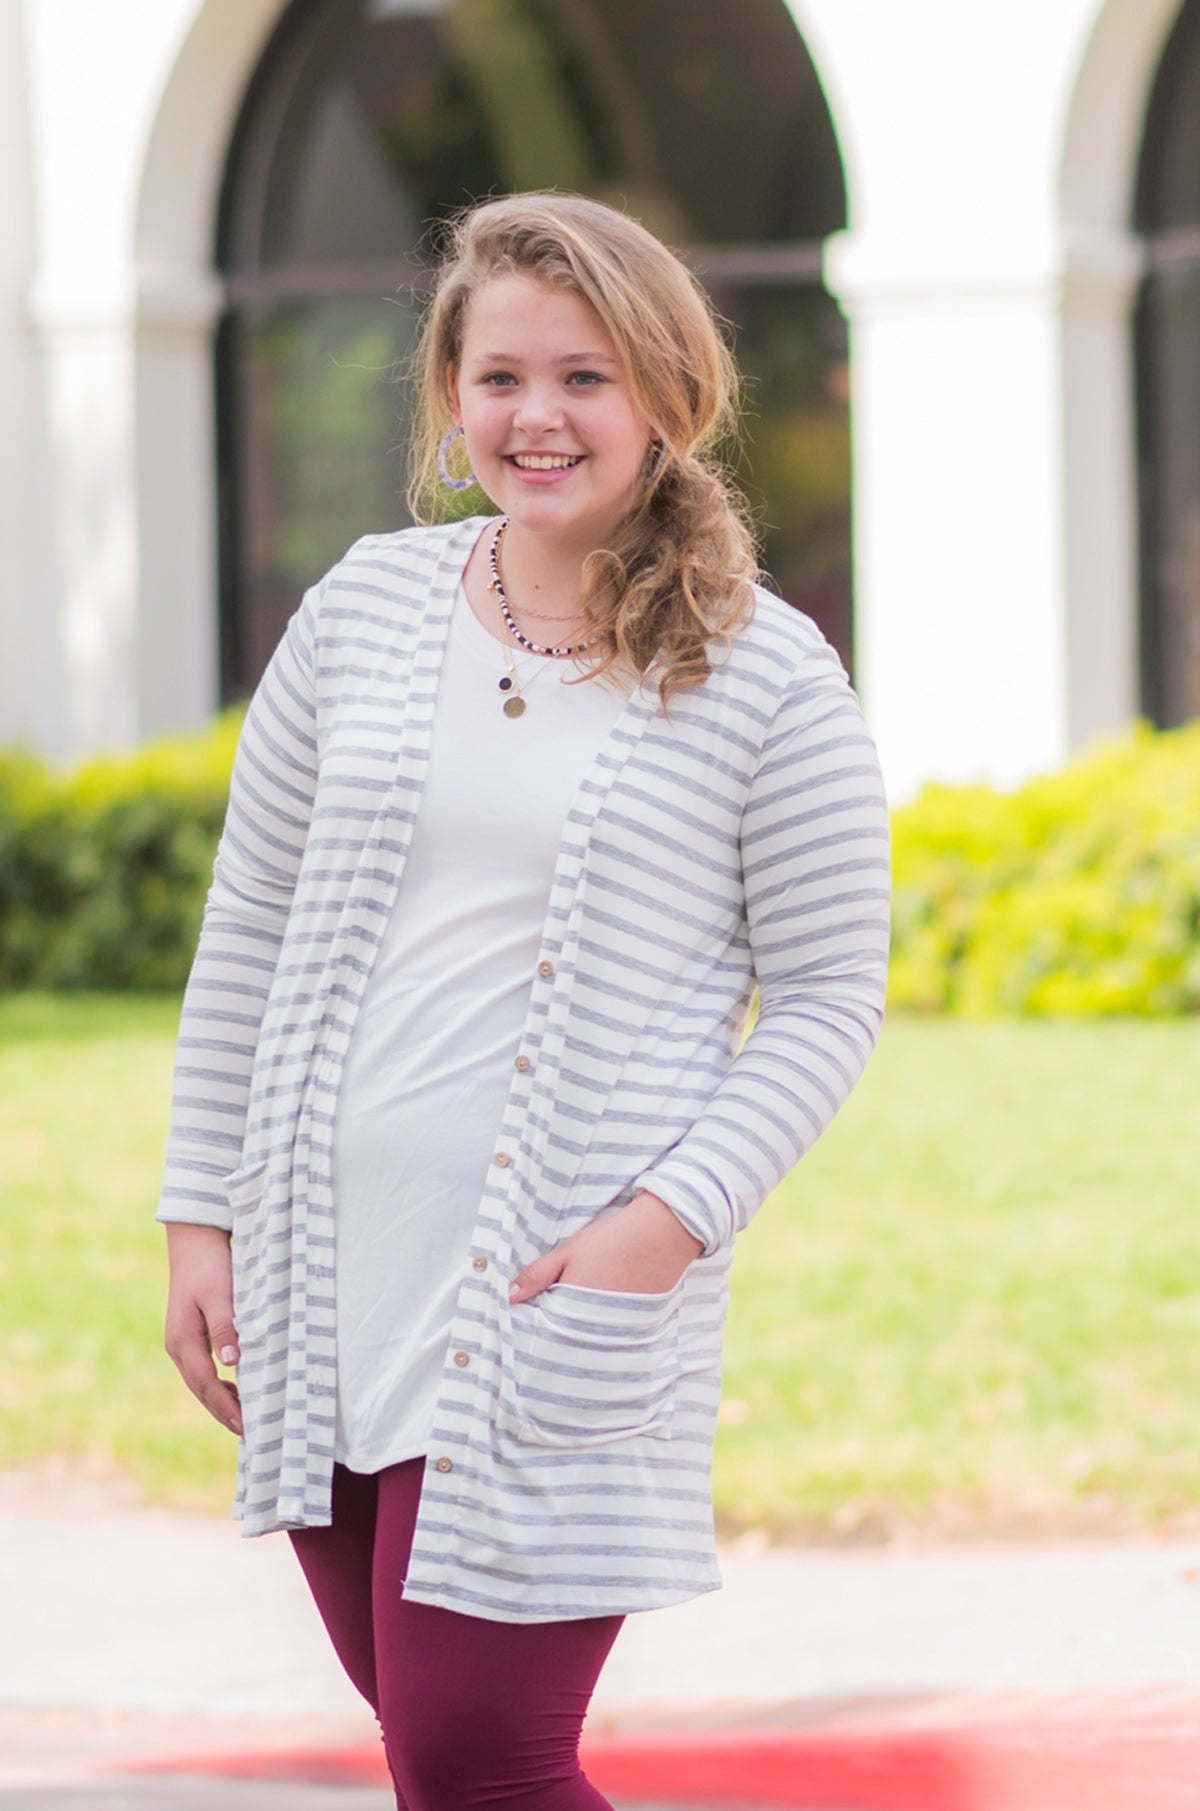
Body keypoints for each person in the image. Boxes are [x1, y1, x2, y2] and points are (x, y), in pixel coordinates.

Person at [160, 191, 890, 1811]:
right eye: (499, 379)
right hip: (323, 1277)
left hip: (550, 1294)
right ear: (449, 397)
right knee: (439, 1761)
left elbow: (835, 997)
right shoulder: (361, 609)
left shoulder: (764, 673)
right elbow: (249, 928)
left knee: (483, 1759)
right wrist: (200, 1218)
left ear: (664, 399)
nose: (536, 418)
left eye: (584, 378)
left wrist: (666, 1222)